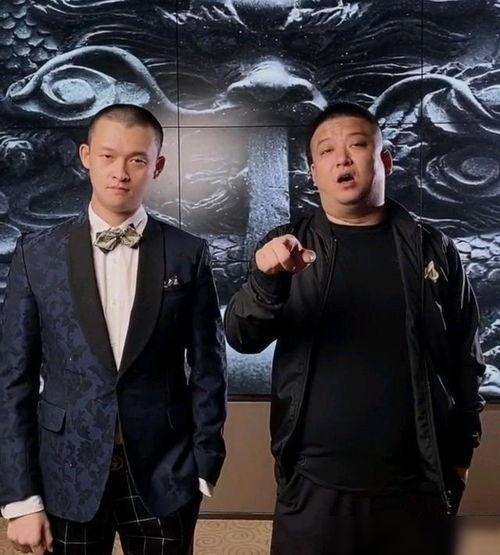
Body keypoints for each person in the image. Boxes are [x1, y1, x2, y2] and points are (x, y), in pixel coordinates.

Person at [224, 102, 485, 554]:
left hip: (417, 485)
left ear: (384, 160)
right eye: (326, 151)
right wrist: (267, 282)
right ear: (313, 173)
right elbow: (241, 337)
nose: (342, 159)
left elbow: (466, 357)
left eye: (357, 145)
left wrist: (461, 455)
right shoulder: (285, 247)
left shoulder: (434, 248)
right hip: (313, 487)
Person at [0, 104, 227, 554]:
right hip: (66, 471)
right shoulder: (36, 254)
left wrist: (204, 463)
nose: (120, 172)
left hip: (165, 472)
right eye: (108, 156)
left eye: (137, 160)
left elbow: (209, 368)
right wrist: (20, 497)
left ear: (157, 166)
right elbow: (13, 380)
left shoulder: (188, 253)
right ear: (86, 156)